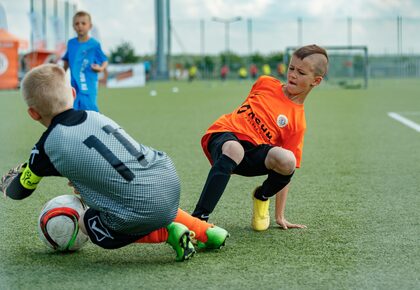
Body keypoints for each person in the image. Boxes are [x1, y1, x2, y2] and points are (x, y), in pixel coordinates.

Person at [1, 64, 229, 262]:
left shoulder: (47, 146)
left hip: (143, 205)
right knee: (144, 194)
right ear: (72, 92)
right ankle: (206, 232)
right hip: (166, 176)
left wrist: (7, 184)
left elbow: (20, 189)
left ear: (33, 113)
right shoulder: (94, 116)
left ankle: (168, 233)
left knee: (88, 223)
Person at [191, 45, 329, 231]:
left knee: (288, 160)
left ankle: (261, 197)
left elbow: (285, 173)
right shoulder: (265, 82)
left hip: (252, 154)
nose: (293, 75)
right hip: (224, 135)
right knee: (234, 149)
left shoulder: (297, 123)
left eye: (301, 72)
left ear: (316, 81)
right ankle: (198, 220)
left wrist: (280, 216)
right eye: (291, 68)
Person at [62, 11, 108, 112]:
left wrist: (100, 68)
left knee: (90, 110)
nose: (80, 26)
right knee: (74, 110)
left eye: (83, 23)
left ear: (90, 26)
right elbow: (66, 61)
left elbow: (104, 60)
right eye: (77, 23)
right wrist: (60, 76)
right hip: (74, 85)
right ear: (73, 26)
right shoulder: (71, 43)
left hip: (88, 84)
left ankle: (95, 127)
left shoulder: (94, 44)